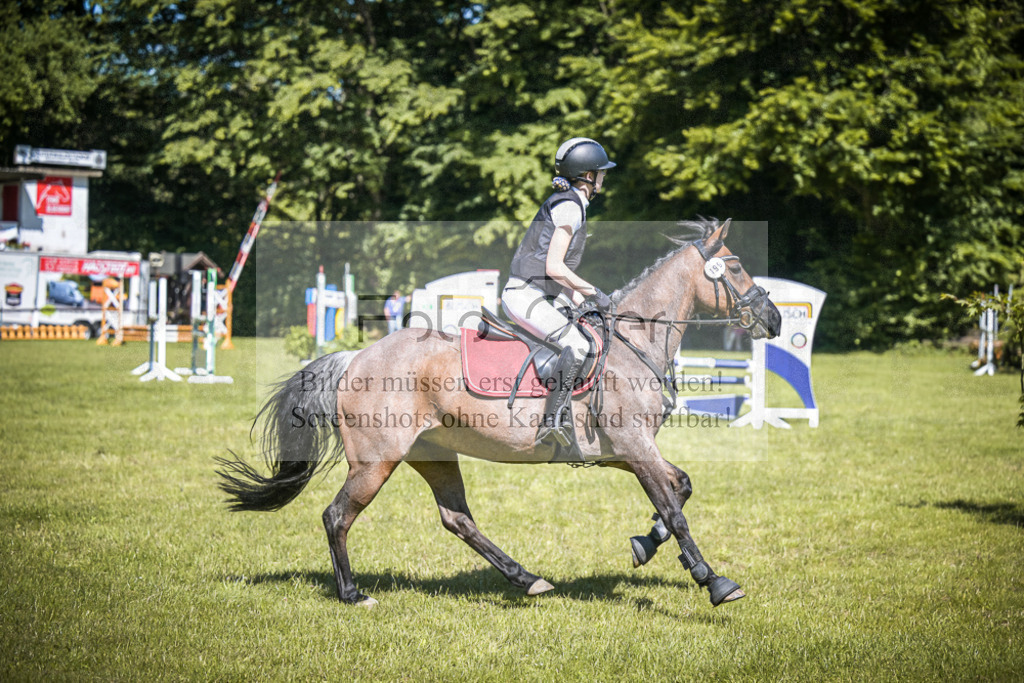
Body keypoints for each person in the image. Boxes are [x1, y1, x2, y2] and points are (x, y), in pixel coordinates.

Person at [502, 137, 615, 449]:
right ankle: (552, 424)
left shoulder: (572, 204)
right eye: (601, 172)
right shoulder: (569, 207)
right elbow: (554, 266)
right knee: (577, 345)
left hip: (540, 294)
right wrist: (594, 291)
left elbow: (558, 274)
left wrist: (582, 301)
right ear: (588, 176)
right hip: (524, 295)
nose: (604, 178)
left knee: (588, 332)